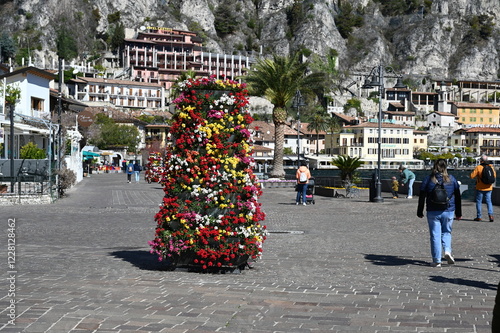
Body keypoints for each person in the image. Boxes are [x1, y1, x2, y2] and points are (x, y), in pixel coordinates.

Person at [417, 159, 462, 267]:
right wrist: (459, 213)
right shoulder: (452, 179)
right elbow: (458, 196)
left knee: (435, 235)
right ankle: (447, 251)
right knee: (446, 232)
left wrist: (420, 211)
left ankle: (437, 260)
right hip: (448, 210)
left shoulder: (429, 179)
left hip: (433, 211)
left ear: (434, 166)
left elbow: (422, 195)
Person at [470, 155, 496, 222]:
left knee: (479, 202)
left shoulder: (479, 167)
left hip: (480, 187)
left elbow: (472, 176)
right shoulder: (491, 167)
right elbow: (494, 176)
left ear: (481, 160)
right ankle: (491, 216)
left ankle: (479, 216)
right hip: (489, 187)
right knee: (489, 202)